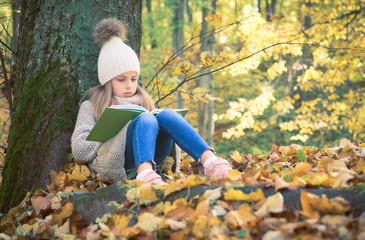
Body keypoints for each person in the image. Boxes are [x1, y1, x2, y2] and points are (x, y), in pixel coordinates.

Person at [71, 18, 232, 185]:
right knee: (146, 118)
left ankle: (211, 162)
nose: (129, 85)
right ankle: (144, 174)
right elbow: (80, 152)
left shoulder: (143, 100)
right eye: (121, 80)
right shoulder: (91, 105)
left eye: (134, 79)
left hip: (153, 160)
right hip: (115, 165)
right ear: (108, 80)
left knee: (165, 114)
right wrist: (110, 132)